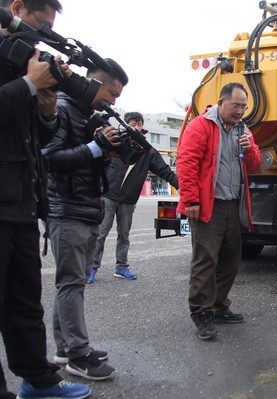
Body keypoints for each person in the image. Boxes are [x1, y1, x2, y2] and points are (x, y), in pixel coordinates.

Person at [0, 1, 93, 398]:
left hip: (19, 202)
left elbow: (31, 139)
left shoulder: (17, 63)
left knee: (25, 304)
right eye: (41, 25)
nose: (42, 36)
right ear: (17, 8)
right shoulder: (18, 70)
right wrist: (28, 85)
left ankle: (38, 382)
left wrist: (47, 113)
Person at [43, 58, 129, 380]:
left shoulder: (84, 114)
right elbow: (49, 159)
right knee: (70, 284)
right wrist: (95, 148)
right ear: (93, 82)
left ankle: (65, 348)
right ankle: (78, 356)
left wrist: (104, 153)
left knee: (70, 282)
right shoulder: (62, 107)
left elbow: (82, 162)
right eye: (111, 92)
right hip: (67, 210)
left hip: (83, 207)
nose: (113, 101)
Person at [176, 82, 261, 340]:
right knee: (205, 260)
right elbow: (186, 162)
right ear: (221, 103)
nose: (240, 112)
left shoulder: (243, 130)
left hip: (231, 205)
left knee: (231, 259)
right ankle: (201, 313)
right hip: (207, 205)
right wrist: (190, 199)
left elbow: (255, 165)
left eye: (244, 107)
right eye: (236, 106)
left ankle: (218, 305)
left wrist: (249, 150)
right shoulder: (201, 125)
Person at [88, 112, 179, 283]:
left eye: (139, 123)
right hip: (108, 196)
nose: (136, 126)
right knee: (100, 233)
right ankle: (91, 268)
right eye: (133, 123)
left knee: (124, 235)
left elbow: (164, 171)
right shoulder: (116, 142)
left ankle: (121, 267)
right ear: (126, 125)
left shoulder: (148, 150)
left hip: (128, 200)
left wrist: (182, 186)